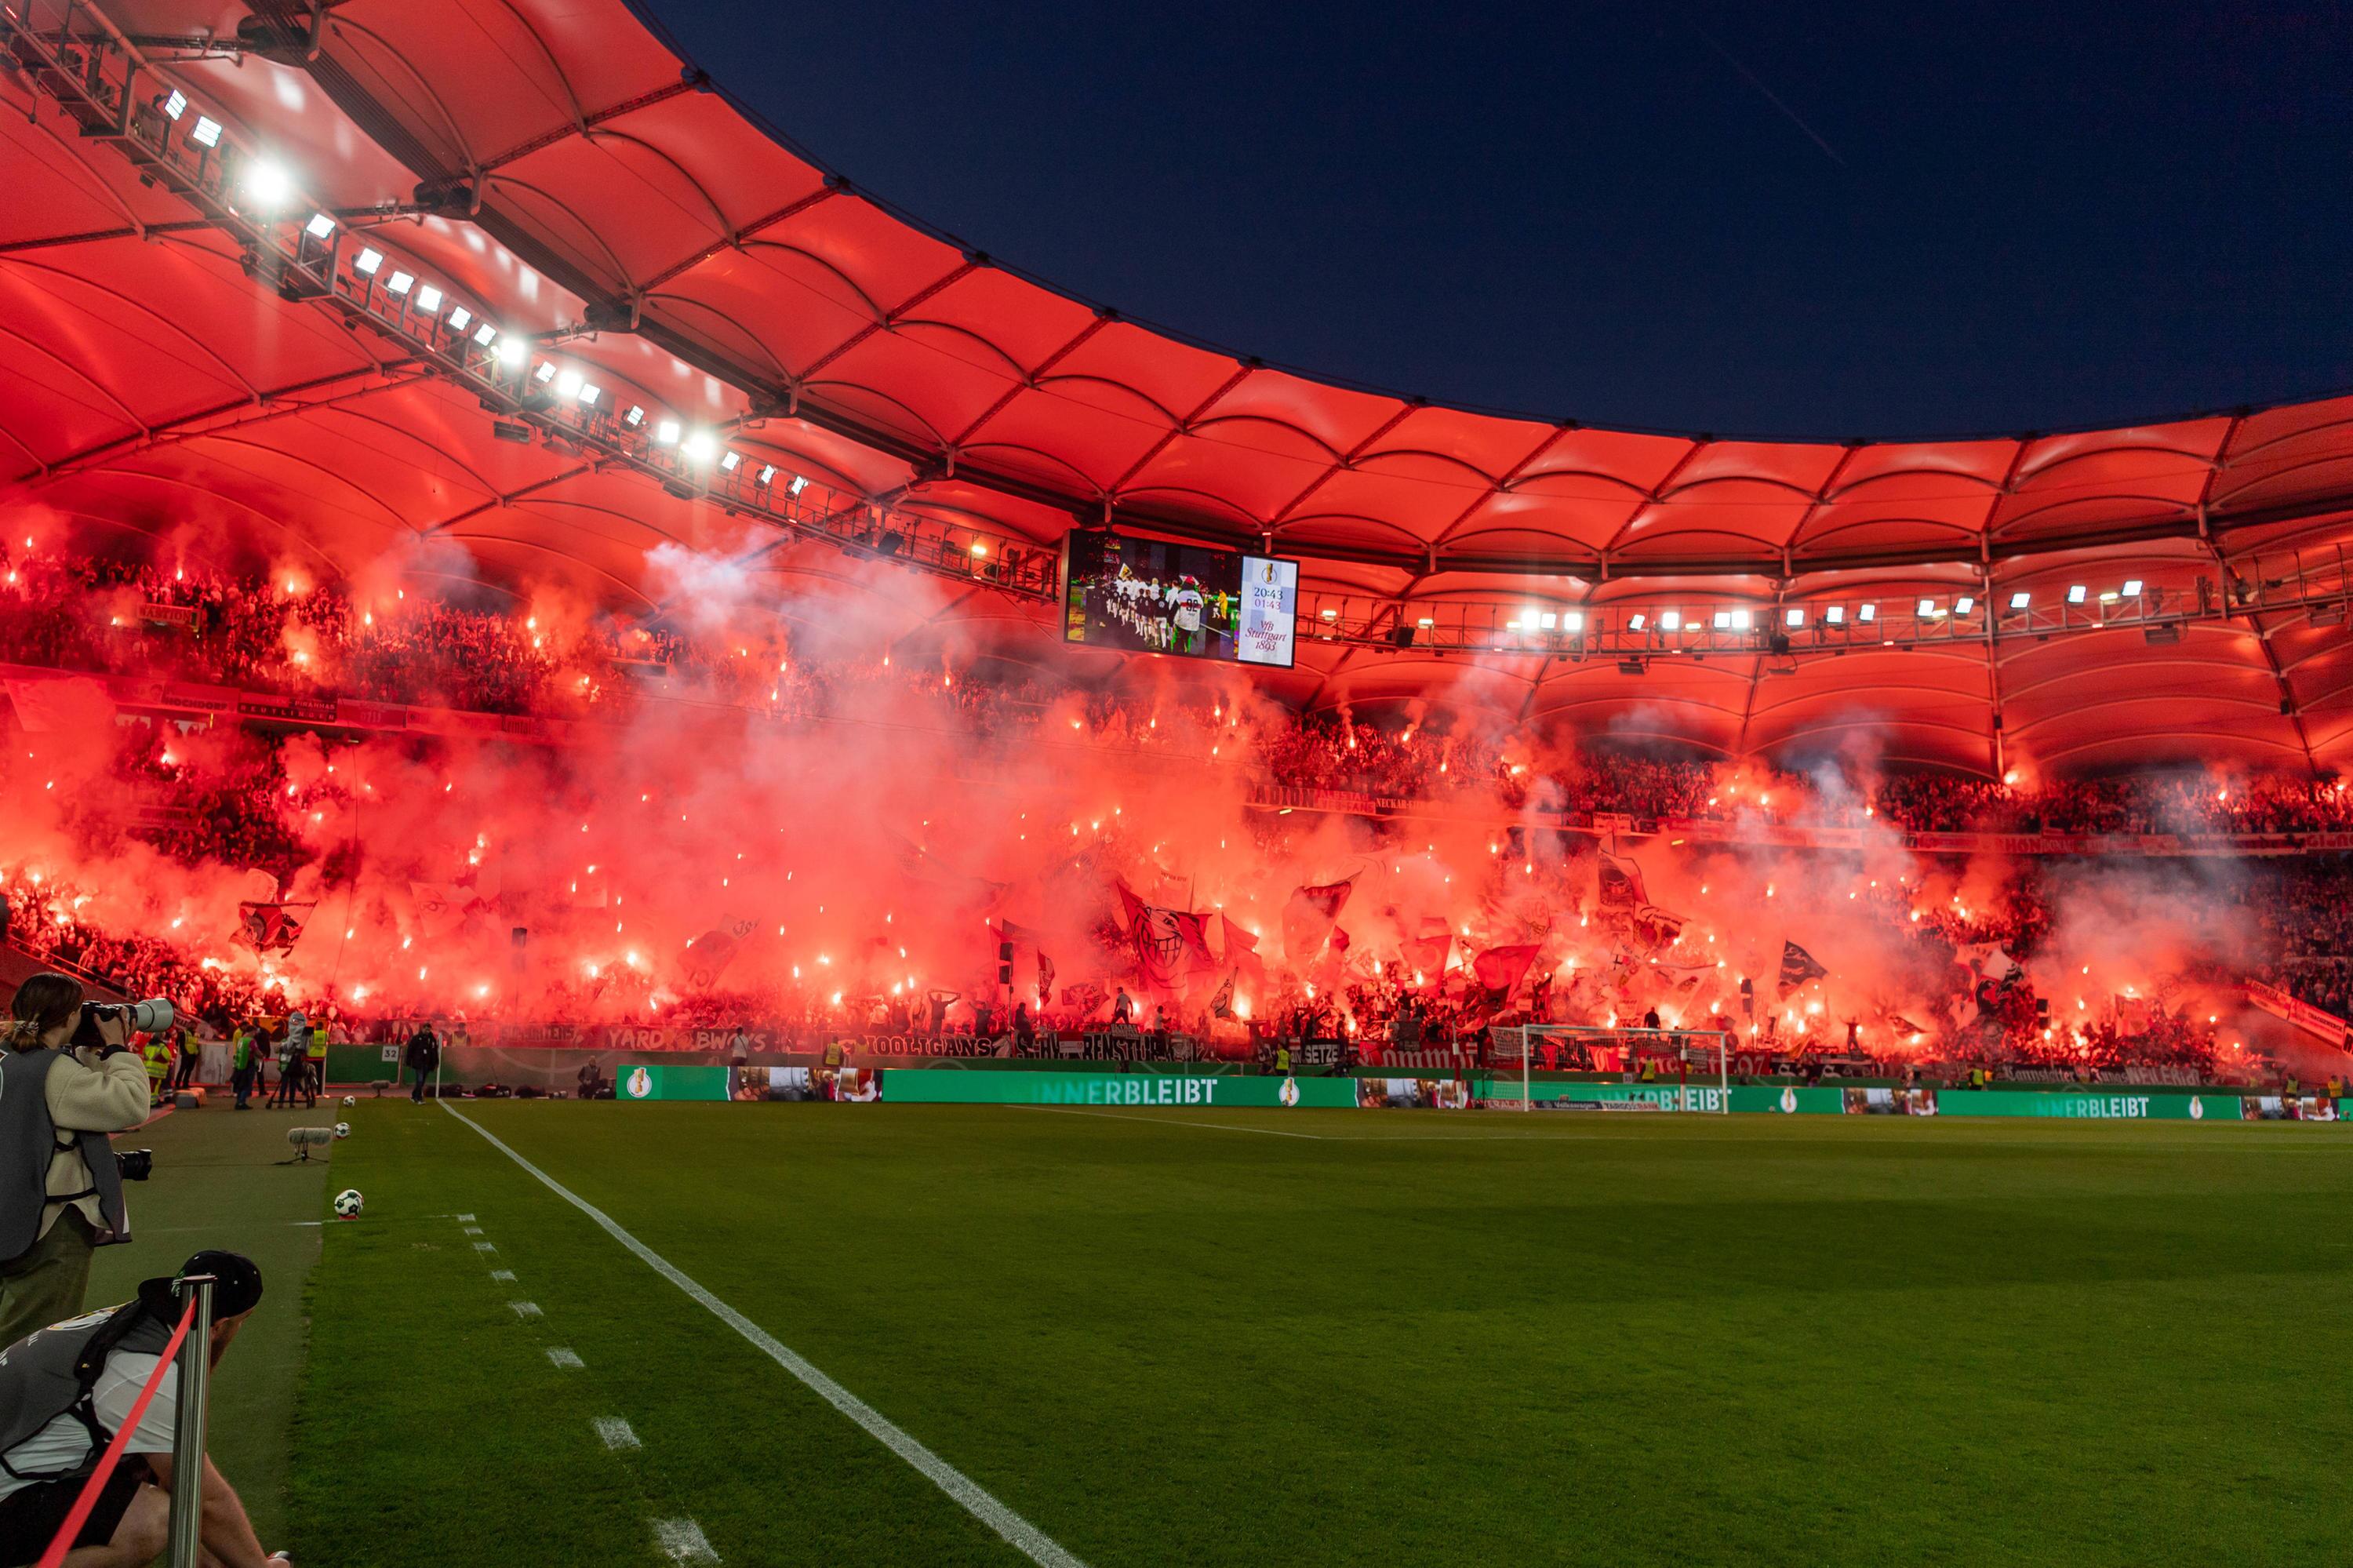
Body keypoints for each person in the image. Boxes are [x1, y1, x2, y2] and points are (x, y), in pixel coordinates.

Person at [0, 1249, 289, 1566]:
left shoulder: (134, 1322)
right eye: (242, 1321)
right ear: (219, 1326)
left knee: (142, 1468)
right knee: (153, 1520)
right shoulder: (145, 1371)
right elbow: (203, 1499)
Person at [0, 976, 151, 1349]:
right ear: (70, 1016)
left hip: (12, 1209)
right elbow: (132, 1103)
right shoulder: (54, 1071)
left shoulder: (11, 1058)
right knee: (35, 1339)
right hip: (50, 1224)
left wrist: (87, 1052)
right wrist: (117, 1048)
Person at [402, 1023, 439, 1104]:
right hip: (419, 1063)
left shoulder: (432, 1039)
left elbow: (435, 1051)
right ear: (422, 1029)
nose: (427, 1031)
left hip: (427, 1063)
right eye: (426, 1029)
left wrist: (436, 1062)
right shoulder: (416, 1038)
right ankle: (419, 1098)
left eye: (429, 1030)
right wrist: (408, 1062)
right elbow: (410, 1050)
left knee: (422, 1082)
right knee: (420, 1080)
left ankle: (414, 1096)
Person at [229, 1024, 256, 1111]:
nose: (255, 1034)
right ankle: (241, 1102)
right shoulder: (251, 1041)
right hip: (248, 1064)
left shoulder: (241, 1039)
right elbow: (256, 1051)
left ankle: (239, 1102)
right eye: (254, 1032)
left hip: (239, 1064)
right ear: (252, 1031)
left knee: (240, 1084)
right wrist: (261, 1056)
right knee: (247, 1085)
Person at [300, 1022, 328, 1108]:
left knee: (308, 1074)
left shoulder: (312, 1034)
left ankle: (306, 1091)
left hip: (311, 1056)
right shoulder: (325, 1034)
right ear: (322, 1026)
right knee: (320, 1075)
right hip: (321, 1056)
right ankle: (319, 1092)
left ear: (316, 1026)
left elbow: (308, 1043)